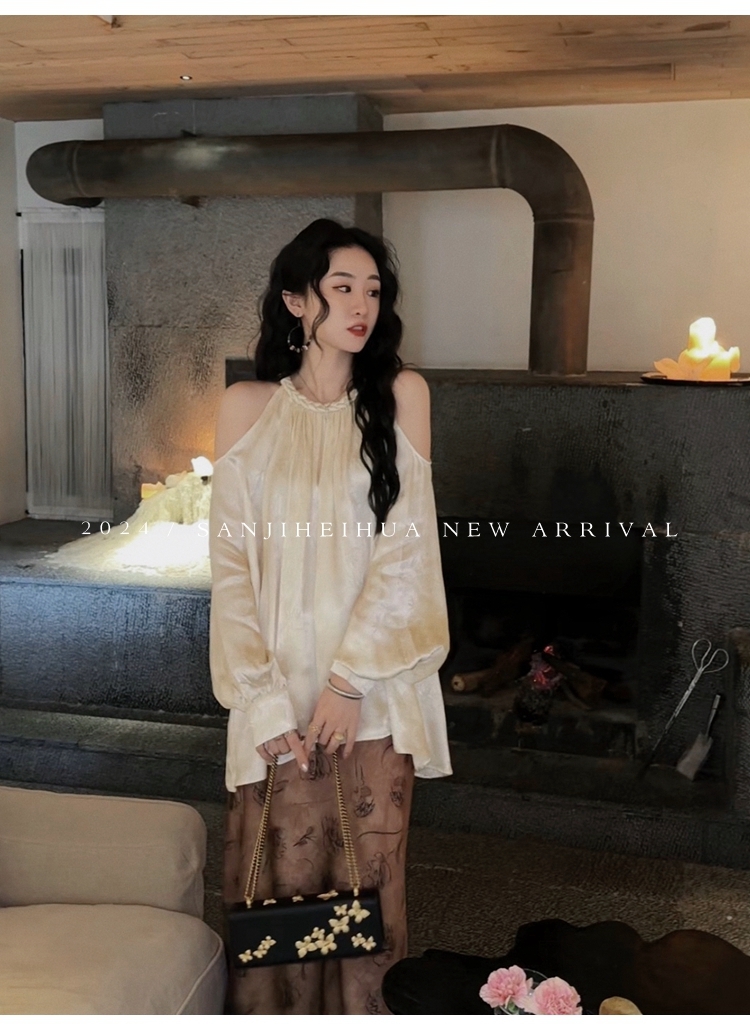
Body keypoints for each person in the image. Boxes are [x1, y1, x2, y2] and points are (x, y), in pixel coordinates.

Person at [208, 218, 452, 1015]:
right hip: (275, 700)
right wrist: (261, 697)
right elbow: (231, 567)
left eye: (372, 290)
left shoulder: (402, 396)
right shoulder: (246, 407)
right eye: (341, 287)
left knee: (363, 897)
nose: (361, 305)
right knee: (279, 890)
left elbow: (408, 552)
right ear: (295, 301)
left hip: (371, 698)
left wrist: (348, 683)